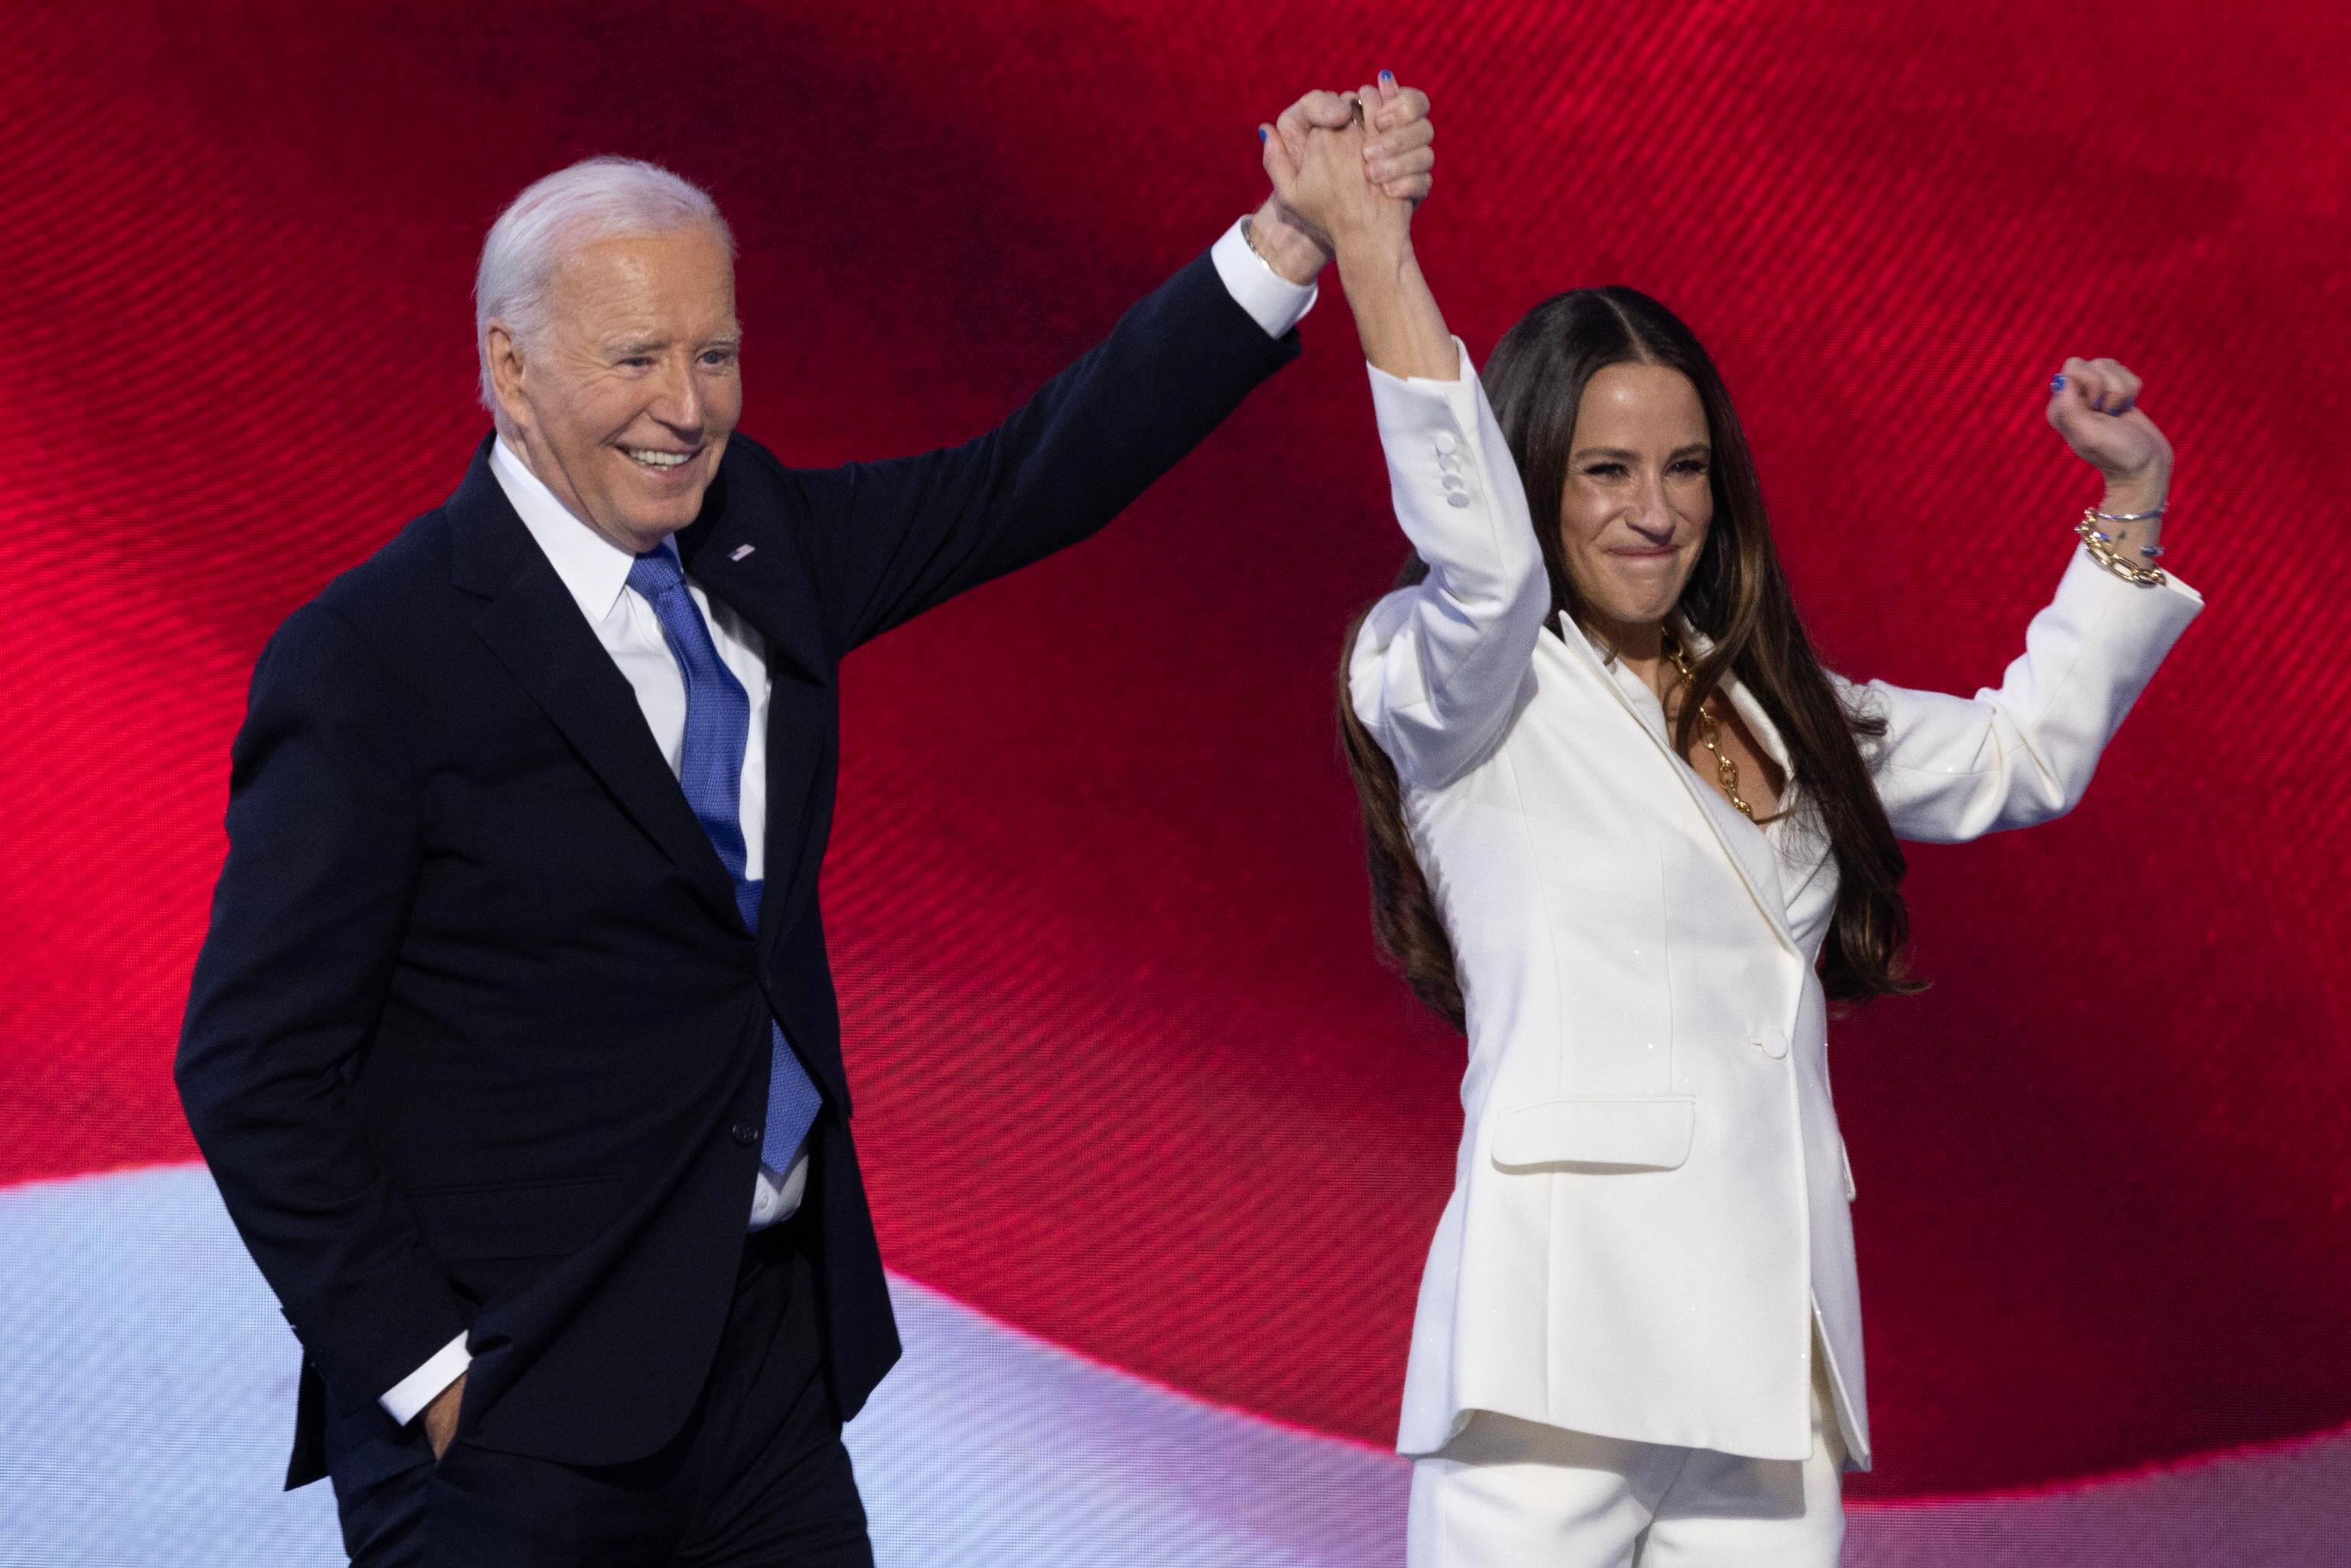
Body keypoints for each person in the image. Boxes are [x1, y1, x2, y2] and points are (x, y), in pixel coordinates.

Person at [174, 81, 1435, 1566]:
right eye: (636, 357)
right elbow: (251, 1061)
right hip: (515, 1415)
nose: (688, 405)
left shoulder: (761, 535)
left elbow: (1028, 477)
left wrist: (1287, 239)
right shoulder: (375, 657)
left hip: (765, 1364)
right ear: (510, 372)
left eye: (715, 353)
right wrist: (428, 1373)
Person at [1267, 98, 2203, 1566]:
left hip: (1770, 1369)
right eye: (1604, 470)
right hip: (1553, 1372)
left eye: (1685, 467)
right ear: (1530, 480)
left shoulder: (1779, 706)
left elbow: (2025, 755)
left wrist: (2129, 500)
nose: (1656, 512)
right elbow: (1484, 571)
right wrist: (1380, 253)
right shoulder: (1454, 677)